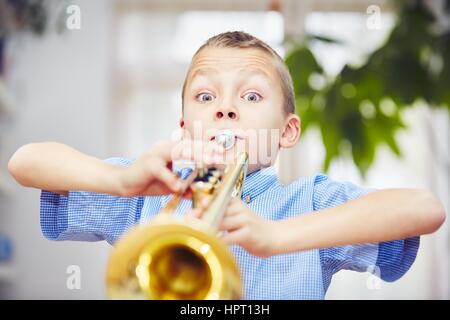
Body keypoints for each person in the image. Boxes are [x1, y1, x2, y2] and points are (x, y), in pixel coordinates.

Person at [8, 31, 445, 299]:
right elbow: (24, 162)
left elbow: (424, 209)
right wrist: (120, 180)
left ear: (286, 133)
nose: (226, 109)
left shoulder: (310, 201)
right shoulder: (149, 191)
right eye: (205, 96)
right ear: (185, 125)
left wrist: (274, 235)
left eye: (251, 96)